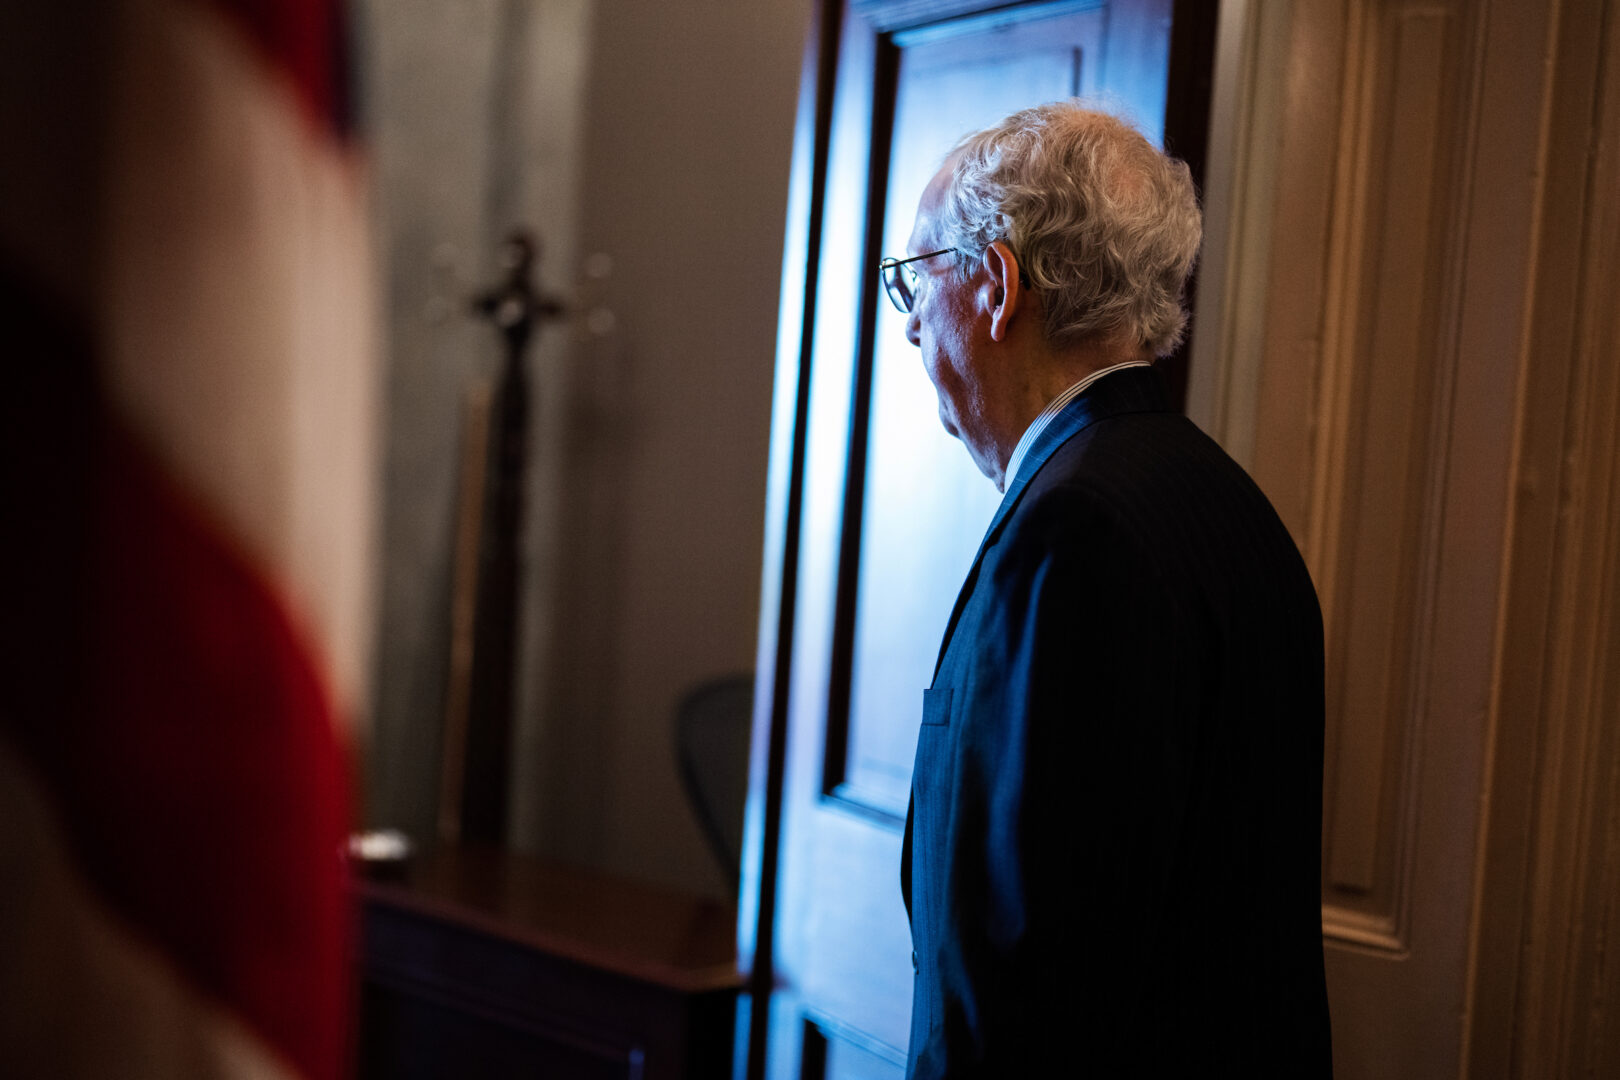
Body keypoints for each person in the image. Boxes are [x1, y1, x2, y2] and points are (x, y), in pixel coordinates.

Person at [888, 102, 1333, 1077]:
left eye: (918, 282)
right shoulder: (1229, 504)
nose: (913, 325)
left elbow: (1026, 969)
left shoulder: (1071, 533)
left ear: (998, 287)